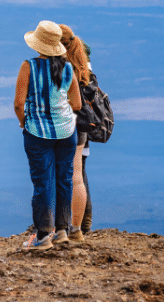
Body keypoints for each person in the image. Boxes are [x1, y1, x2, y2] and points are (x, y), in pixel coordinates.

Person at [14, 20, 82, 250]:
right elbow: (77, 104)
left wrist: (25, 123)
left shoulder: (28, 66)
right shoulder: (68, 68)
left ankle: (43, 235)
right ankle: (62, 231)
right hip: (66, 132)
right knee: (64, 179)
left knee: (43, 182)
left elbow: (18, 104)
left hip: (37, 133)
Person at [59, 24, 93, 242]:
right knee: (79, 175)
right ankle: (81, 224)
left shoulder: (63, 69)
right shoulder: (84, 64)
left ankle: (64, 223)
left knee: (65, 175)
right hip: (83, 127)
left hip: (65, 124)